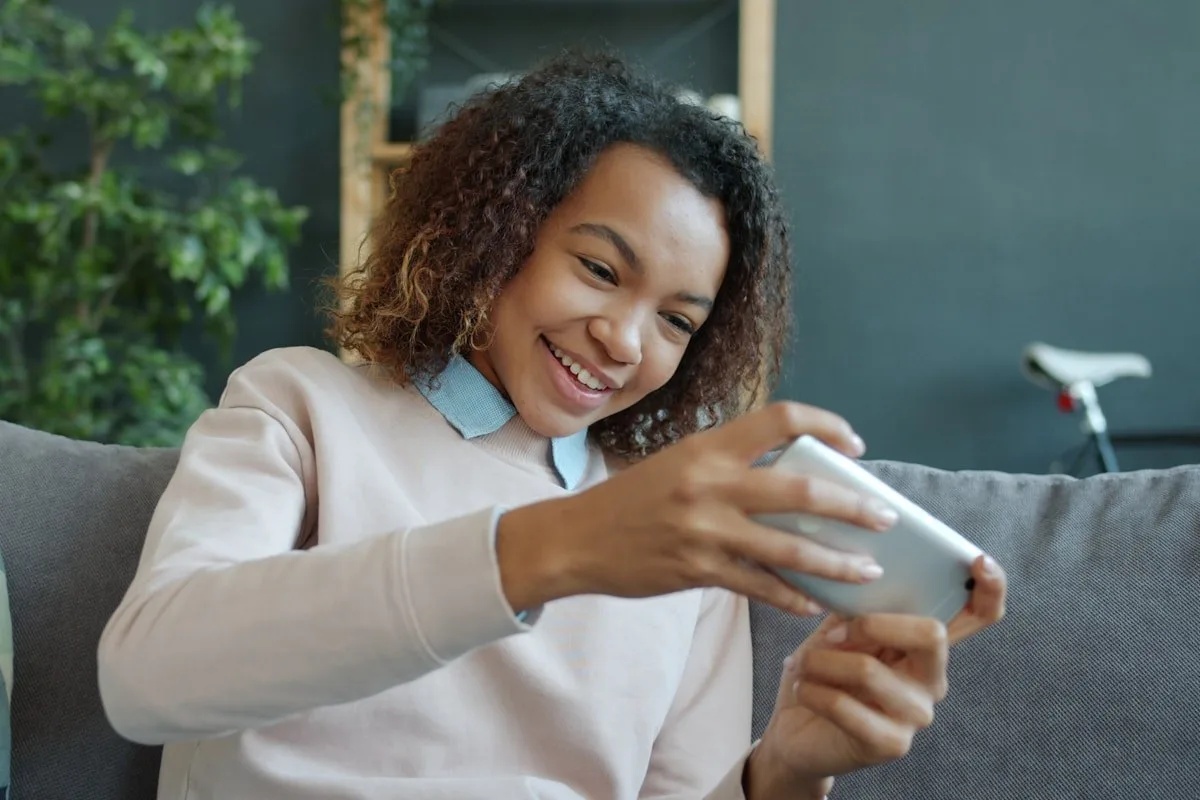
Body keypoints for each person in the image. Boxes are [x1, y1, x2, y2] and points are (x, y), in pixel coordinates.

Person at [98, 50, 1006, 800]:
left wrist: (784, 775)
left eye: (677, 321)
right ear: (498, 230)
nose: (624, 340)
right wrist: (558, 545)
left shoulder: (681, 543)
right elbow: (148, 678)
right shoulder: (301, 405)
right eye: (601, 270)